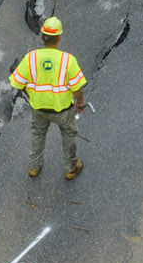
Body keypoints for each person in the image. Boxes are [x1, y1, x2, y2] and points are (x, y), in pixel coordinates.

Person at [9, 16, 87, 179]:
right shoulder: (68, 60)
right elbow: (76, 87)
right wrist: (80, 103)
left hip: (38, 109)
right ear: (59, 38)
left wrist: (30, 93)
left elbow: (17, 82)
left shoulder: (30, 58)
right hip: (63, 111)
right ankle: (71, 168)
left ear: (42, 37)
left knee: (38, 135)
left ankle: (34, 168)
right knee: (68, 136)